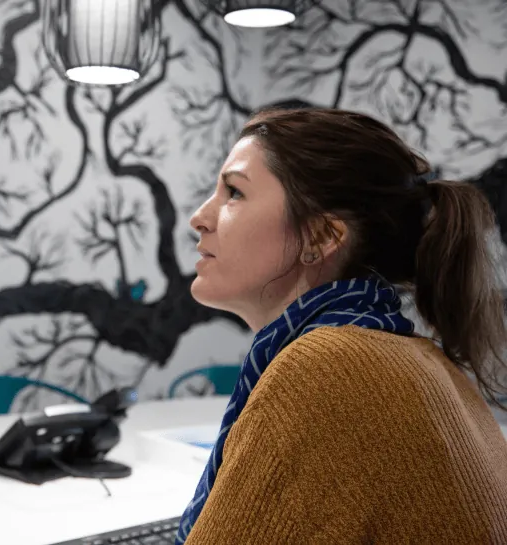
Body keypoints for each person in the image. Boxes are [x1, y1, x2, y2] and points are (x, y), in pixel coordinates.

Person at [176, 108, 507, 544]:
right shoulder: (408, 352)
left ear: (322, 238)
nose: (199, 217)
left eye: (234, 193)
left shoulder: (327, 367)